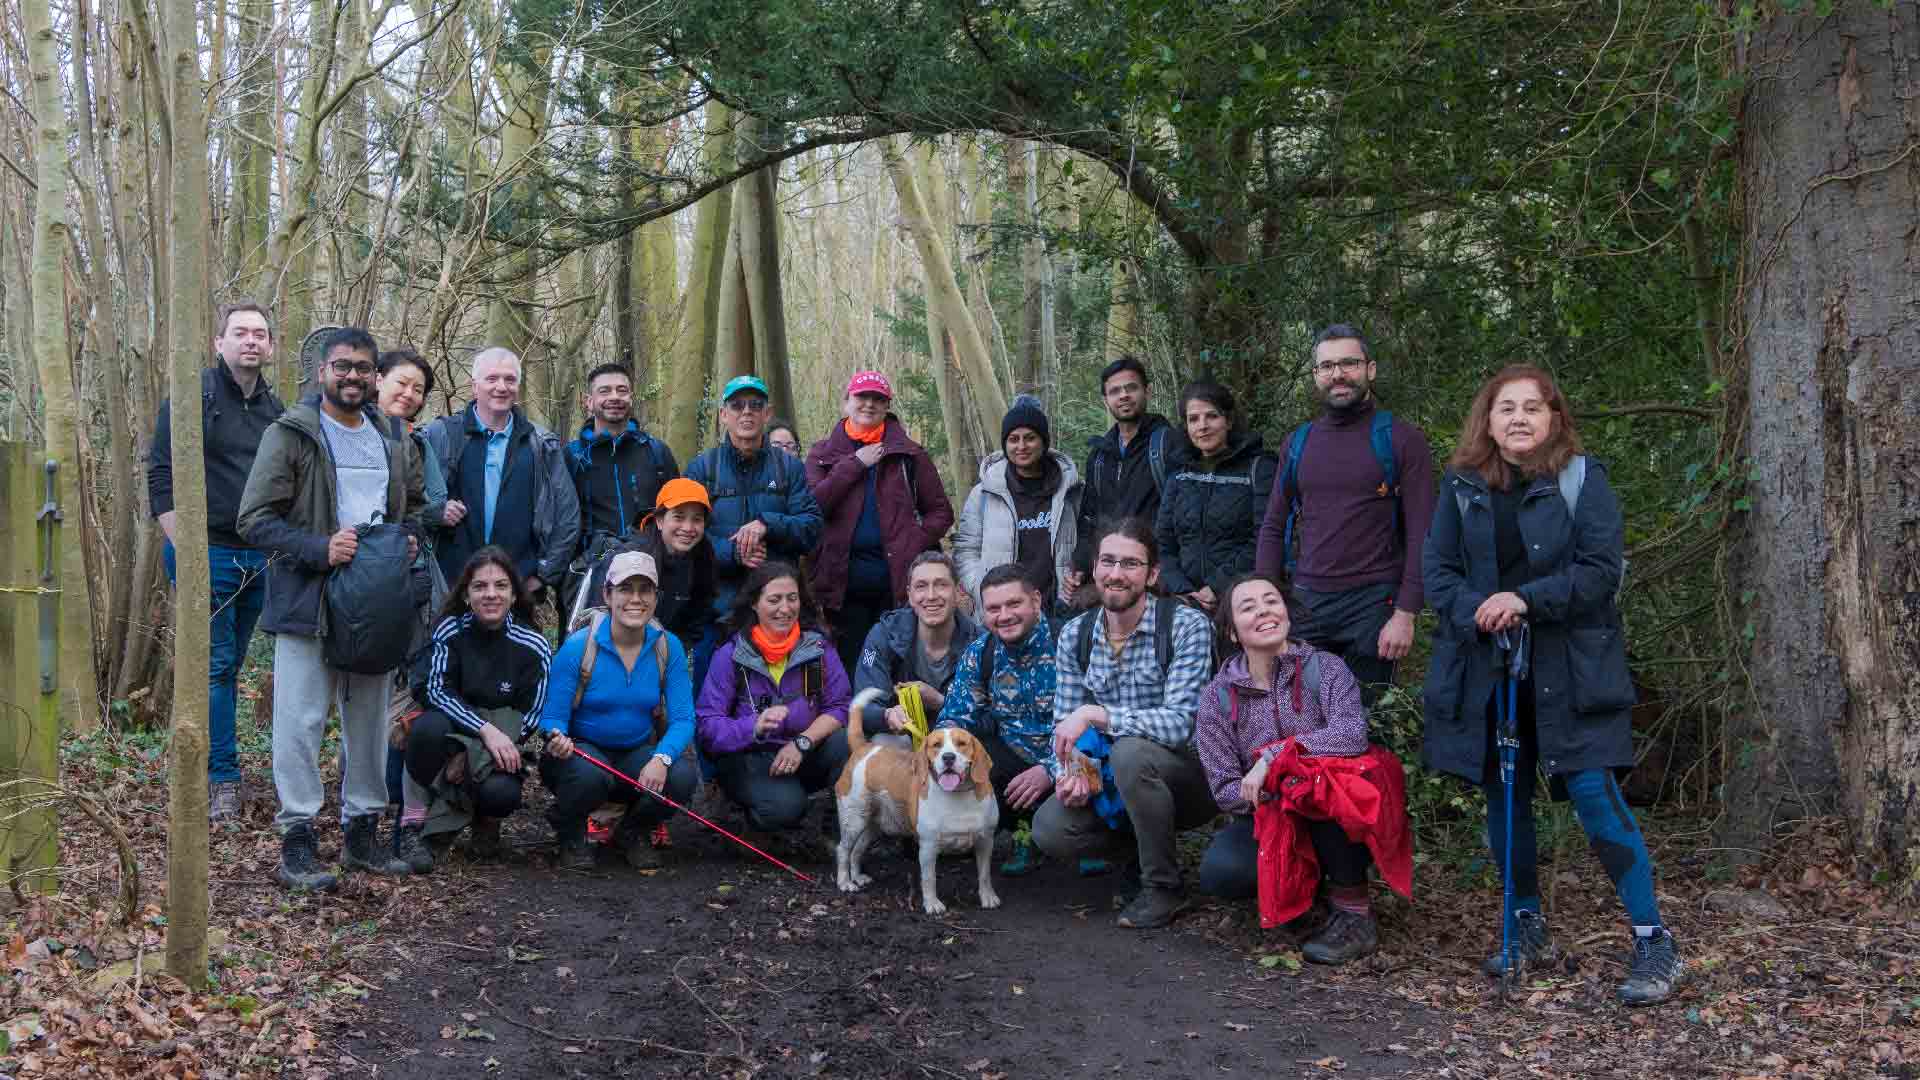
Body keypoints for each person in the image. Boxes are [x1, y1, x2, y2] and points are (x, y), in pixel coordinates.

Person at [1423, 364, 1679, 1005]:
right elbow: (1437, 572)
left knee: (1596, 794)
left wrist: (1523, 600)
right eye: (1505, 408)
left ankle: (1654, 940)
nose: (1518, 419)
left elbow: (1599, 573)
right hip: (1488, 670)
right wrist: (1478, 609)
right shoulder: (1460, 486)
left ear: (1554, 419)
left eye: (1532, 408)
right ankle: (1526, 926)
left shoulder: (1582, 481)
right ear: (1487, 419)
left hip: (1573, 671)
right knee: (1505, 801)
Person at [237, 327, 424, 890]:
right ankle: (297, 841)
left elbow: (412, 505)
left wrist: (408, 538)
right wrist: (319, 548)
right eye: (342, 367)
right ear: (322, 372)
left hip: (376, 601)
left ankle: (362, 835)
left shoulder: (391, 435)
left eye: (364, 368)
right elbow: (253, 519)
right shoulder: (292, 433)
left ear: (374, 376)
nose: (353, 377)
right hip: (308, 598)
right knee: (300, 720)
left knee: (368, 720)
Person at [1193, 574, 1395, 965]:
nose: (1264, 610)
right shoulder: (1217, 698)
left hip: (1333, 810)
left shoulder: (1327, 669)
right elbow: (1223, 787)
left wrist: (1273, 761)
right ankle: (1302, 892)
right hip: (1267, 815)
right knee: (1222, 871)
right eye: (1248, 607)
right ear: (1233, 632)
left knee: (1320, 787)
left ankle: (1353, 913)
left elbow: (1352, 735)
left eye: (1271, 601)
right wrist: (1272, 793)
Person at [1033, 518, 1216, 929]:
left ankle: (1163, 888)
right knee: (1050, 829)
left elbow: (1183, 724)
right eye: (1108, 562)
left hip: (1186, 778)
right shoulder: (1075, 634)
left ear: (1151, 575)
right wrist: (1075, 771)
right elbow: (1066, 722)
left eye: (1131, 564)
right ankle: (1139, 855)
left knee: (1130, 752)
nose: (1117, 574)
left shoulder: (1185, 626)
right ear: (1095, 568)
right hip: (1116, 777)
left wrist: (1100, 716)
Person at [147, 299, 286, 821]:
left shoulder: (277, 412)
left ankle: (214, 762)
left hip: (260, 557)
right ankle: (221, 778)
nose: (251, 341)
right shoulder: (194, 398)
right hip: (208, 553)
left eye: (260, 334)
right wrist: (186, 548)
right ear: (219, 342)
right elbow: (161, 476)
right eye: (241, 333)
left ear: (270, 346)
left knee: (232, 665)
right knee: (218, 665)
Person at [1254, 324, 1438, 708]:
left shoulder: (1401, 439)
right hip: (1307, 604)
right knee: (1299, 723)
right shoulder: (1299, 442)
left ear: (1370, 369)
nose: (1338, 374)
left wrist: (1406, 613)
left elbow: (1424, 533)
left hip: (1373, 606)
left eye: (1349, 363)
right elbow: (1273, 525)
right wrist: (1266, 603)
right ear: (1316, 376)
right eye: (1327, 366)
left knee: (1365, 728)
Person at [540, 550, 701, 871]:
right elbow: (552, 716)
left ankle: (633, 832)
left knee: (681, 776)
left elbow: (684, 719)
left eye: (646, 590)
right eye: (626, 589)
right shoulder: (578, 647)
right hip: (579, 756)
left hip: (635, 754)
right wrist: (557, 736)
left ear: (656, 597)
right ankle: (570, 834)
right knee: (591, 773)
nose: (635, 599)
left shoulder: (667, 646)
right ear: (607, 594)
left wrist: (661, 757)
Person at [396, 547, 552, 869]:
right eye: (480, 586)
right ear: (466, 594)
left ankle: (486, 822)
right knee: (425, 730)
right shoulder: (450, 630)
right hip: (451, 734)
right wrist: (482, 732)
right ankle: (414, 824)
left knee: (502, 793)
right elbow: (437, 690)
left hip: (499, 748)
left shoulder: (533, 645)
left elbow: (531, 716)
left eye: (501, 586)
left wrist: (474, 754)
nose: (490, 594)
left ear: (513, 594)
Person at [806, 371, 954, 676]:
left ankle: (896, 721)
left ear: (887, 407)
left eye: (878, 399)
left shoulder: (909, 454)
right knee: (848, 665)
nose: (869, 405)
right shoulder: (823, 454)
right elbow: (813, 506)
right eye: (862, 397)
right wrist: (856, 463)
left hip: (896, 584)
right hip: (841, 585)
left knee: (897, 664)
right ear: (846, 402)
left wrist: (912, 542)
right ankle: (852, 723)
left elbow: (940, 512)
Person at [696, 562, 851, 839]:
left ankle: (838, 824)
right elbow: (707, 725)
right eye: (774, 600)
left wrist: (801, 743)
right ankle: (744, 816)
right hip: (750, 758)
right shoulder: (731, 654)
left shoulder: (817, 648)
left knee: (850, 739)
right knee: (784, 808)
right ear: (754, 604)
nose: (785, 608)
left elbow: (839, 707)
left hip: (802, 751)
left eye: (792, 598)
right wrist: (753, 726)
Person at [685, 376, 823, 681]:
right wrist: (732, 553)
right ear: (723, 415)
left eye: (755, 405)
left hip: (778, 615)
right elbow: (685, 538)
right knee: (712, 708)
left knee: (780, 709)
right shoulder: (702, 469)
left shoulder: (789, 469)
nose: (746, 412)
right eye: (737, 405)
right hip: (717, 612)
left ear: (767, 413)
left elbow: (811, 529)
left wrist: (768, 524)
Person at [421, 347, 580, 611]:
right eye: (492, 378)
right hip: (451, 589)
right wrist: (436, 512)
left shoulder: (541, 445)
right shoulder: (442, 436)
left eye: (510, 379)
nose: (501, 387)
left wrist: (542, 575)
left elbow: (567, 517)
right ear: (474, 386)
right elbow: (410, 503)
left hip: (516, 591)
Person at [933, 564, 1060, 875]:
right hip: (1014, 759)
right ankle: (1022, 833)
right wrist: (938, 759)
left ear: (1036, 600)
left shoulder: (1070, 641)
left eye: (1014, 604)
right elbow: (954, 717)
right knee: (973, 755)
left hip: (1071, 758)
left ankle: (1092, 838)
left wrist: (1052, 769)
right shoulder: (980, 653)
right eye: (993, 608)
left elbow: (1100, 722)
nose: (1004, 615)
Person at [373, 348, 455, 831]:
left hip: (415, 573)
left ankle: (402, 798)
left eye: (418, 389)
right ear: (379, 379)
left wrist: (423, 519)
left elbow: (433, 502)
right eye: (401, 383)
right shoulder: (347, 433)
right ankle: (363, 795)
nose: (408, 394)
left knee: (412, 678)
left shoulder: (417, 444)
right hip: (359, 580)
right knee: (366, 684)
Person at [1155, 380, 1278, 615]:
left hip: (1242, 599)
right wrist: (1181, 588)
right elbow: (1163, 541)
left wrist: (1218, 586)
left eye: (1212, 416)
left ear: (1229, 421)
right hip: (1183, 602)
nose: (1202, 426)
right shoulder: (1179, 473)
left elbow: (1264, 537)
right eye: (1193, 419)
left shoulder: (1258, 469)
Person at [952, 396, 1083, 613]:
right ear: (1005, 444)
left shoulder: (1071, 491)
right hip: (1002, 613)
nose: (1021, 446)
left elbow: (1085, 542)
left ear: (1044, 441)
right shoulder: (985, 493)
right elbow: (966, 550)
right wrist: (981, 588)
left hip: (1057, 610)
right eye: (1013, 439)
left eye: (1030, 438)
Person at [565, 361, 679, 609]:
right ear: (588, 401)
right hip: (591, 576)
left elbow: (675, 515)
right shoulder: (571, 458)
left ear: (631, 397)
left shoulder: (655, 452)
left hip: (651, 574)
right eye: (604, 391)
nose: (614, 397)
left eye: (622, 390)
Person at [1069, 356, 1173, 603]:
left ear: (1147, 391)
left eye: (1131, 388)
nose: (1123, 396)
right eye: (1115, 391)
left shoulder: (1168, 444)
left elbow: (1181, 516)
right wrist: (1081, 566)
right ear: (1106, 400)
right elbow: (1090, 518)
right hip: (1111, 570)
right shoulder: (1100, 455)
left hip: (1154, 571)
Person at [851, 551, 983, 736]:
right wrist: (887, 715)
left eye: (941, 585)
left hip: (959, 741)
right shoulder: (884, 635)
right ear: (910, 595)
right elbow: (863, 705)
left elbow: (992, 718)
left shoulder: (981, 643)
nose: (931, 595)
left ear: (958, 591)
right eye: (921, 586)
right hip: (901, 737)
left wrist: (940, 701)